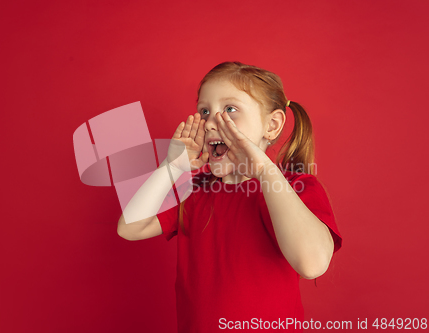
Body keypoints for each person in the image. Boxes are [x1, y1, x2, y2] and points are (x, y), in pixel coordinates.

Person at [117, 61, 343, 333]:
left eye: (230, 110)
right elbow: (129, 227)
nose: (211, 122)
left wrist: (263, 169)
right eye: (204, 110)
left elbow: (312, 264)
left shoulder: (296, 187)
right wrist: (171, 166)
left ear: (271, 125)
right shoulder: (196, 189)